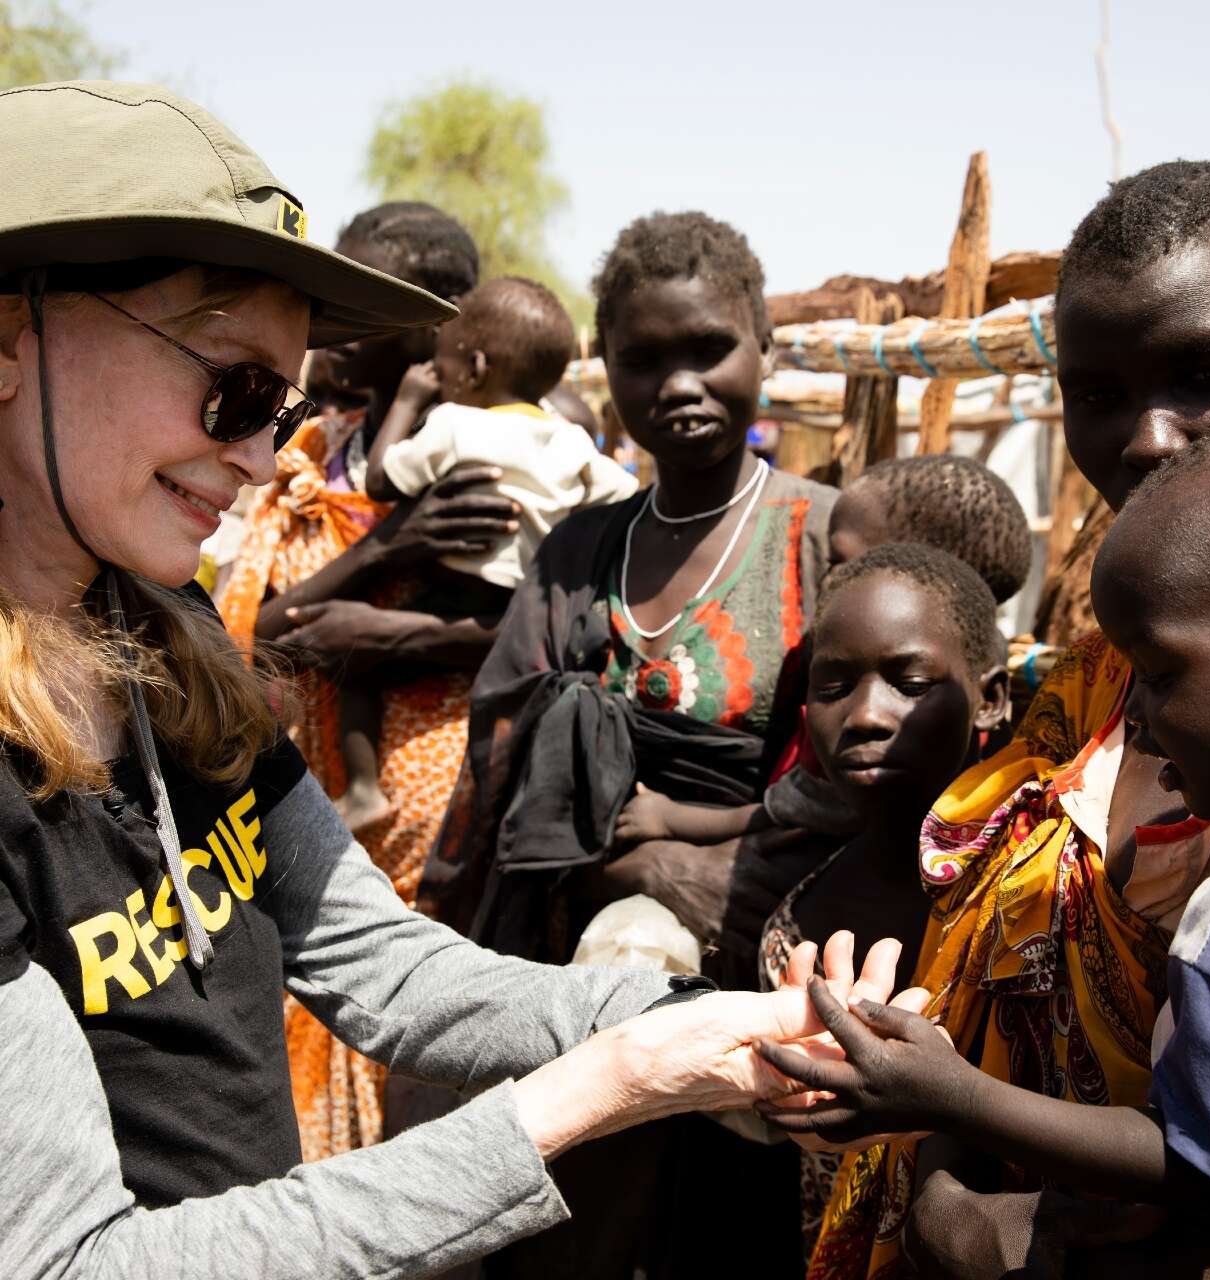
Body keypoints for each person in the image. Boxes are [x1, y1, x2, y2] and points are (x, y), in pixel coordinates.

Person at [0, 78, 890, 1280]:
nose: (266, 455)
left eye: (288, 401)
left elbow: (378, 963)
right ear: (13, 333)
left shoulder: (167, 631)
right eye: (235, 387)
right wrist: (597, 1089)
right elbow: (71, 1260)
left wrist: (683, 1018)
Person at [792, 158, 1210, 1280]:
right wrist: (946, 1196)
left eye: (1204, 372)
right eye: (1099, 393)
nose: (1149, 437)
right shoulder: (1094, 683)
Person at [425, 210, 836, 1278]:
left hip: (784, 951)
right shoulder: (579, 548)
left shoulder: (828, 536)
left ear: (764, 349)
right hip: (583, 953)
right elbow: (503, 755)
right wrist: (642, 859)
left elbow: (880, 773)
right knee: (586, 1223)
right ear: (605, 370)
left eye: (709, 348)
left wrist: (742, 878)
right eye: (643, 357)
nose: (680, 382)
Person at [218, 200, 518, 1156]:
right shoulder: (307, 447)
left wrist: (383, 636)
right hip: (310, 776)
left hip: (437, 782)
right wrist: (374, 565)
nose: (335, 316)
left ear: (446, 316)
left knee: (415, 1026)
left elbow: (532, 630)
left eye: (370, 295)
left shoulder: (487, 452)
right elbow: (236, 631)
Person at [755, 543, 1008, 1257]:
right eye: (834, 685)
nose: (866, 715)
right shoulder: (796, 928)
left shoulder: (1039, 896)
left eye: (908, 681)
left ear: (989, 697)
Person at [332, 277, 635, 831]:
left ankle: (362, 789)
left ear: (473, 368)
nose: (438, 380)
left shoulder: (453, 424)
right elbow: (623, 494)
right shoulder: (568, 439)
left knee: (356, 662)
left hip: (447, 594)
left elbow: (377, 481)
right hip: (522, 607)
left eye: (442, 370)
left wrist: (407, 401)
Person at [613, 454, 1031, 850]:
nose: (826, 576)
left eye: (841, 562)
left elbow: (797, 809)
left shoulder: (899, 741)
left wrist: (670, 819)